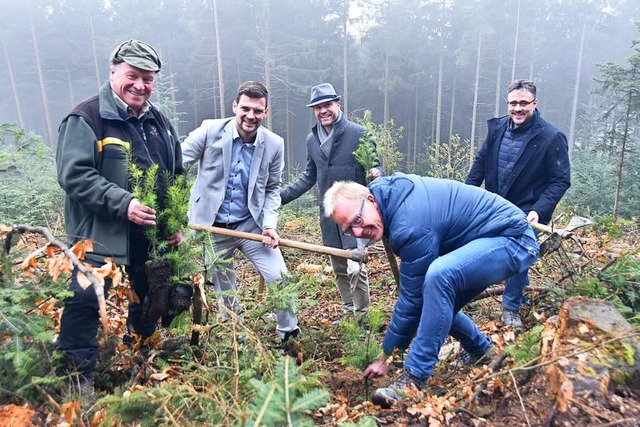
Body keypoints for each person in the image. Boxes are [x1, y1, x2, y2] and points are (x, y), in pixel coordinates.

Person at [323, 173, 539, 408]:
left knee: (439, 276)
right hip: (486, 239)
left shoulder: (409, 223)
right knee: (436, 299)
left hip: (514, 240)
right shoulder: (389, 199)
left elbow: (411, 301)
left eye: (356, 220)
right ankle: (483, 352)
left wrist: (387, 355)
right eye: (348, 230)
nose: (356, 233)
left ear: (371, 201)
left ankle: (415, 377)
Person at [56, 39, 183, 396]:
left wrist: (174, 224)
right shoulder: (87, 118)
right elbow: (74, 175)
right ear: (113, 73)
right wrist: (122, 202)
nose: (140, 85)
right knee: (83, 305)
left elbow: (176, 176)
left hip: (148, 238)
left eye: (148, 78)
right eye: (132, 76)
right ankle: (76, 385)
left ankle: (138, 371)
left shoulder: (160, 123)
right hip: (98, 237)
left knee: (148, 302)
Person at [182, 81, 300, 342]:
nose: (250, 116)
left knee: (280, 277)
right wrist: (177, 209)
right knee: (224, 285)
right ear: (235, 106)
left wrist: (269, 225)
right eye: (245, 108)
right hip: (211, 226)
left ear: (265, 113)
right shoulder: (209, 130)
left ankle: (289, 333)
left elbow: (272, 188)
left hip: (251, 225)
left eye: (258, 111)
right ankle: (235, 333)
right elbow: (178, 163)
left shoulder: (274, 144)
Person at [466, 79, 571, 328]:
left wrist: (539, 210)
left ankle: (511, 308)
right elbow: (481, 162)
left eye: (524, 103)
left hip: (528, 210)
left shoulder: (551, 137)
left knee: (517, 255)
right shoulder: (498, 128)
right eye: (513, 103)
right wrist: (467, 194)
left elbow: (560, 180)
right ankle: (473, 293)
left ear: (534, 103)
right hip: (494, 205)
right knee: (481, 249)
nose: (518, 109)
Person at [281, 83, 382, 322]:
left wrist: (377, 172)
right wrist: (279, 198)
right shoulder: (312, 140)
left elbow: (376, 166)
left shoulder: (359, 133)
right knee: (339, 269)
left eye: (327, 105)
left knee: (355, 266)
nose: (323, 110)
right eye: (317, 107)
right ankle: (348, 313)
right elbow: (309, 176)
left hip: (356, 216)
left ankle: (362, 319)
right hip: (329, 217)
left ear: (338, 104)